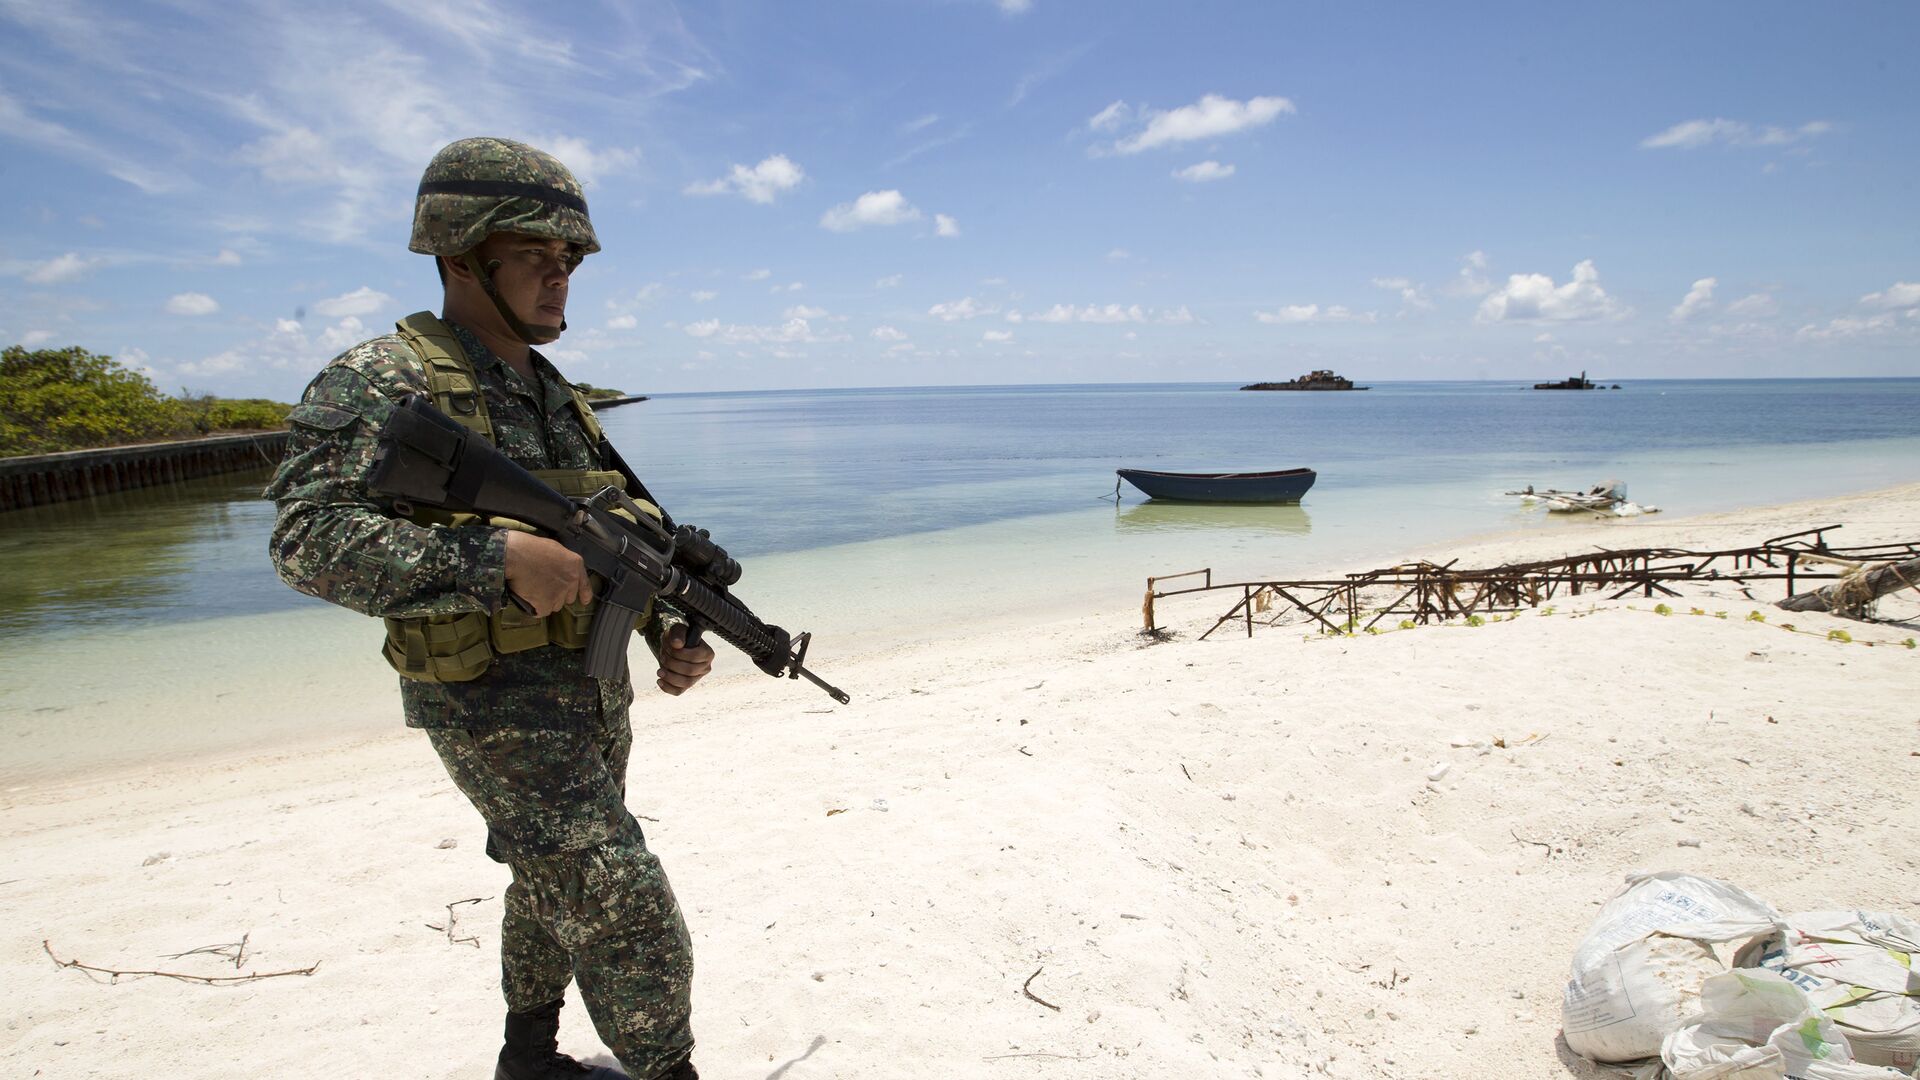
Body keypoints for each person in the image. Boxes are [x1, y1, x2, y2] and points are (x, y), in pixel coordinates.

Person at [265, 137, 711, 1080]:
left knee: (549, 881)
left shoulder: (556, 395)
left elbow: (609, 541)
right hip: (488, 697)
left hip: (586, 696)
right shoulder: (385, 379)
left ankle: (529, 1057)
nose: (560, 283)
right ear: (460, 257)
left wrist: (663, 624)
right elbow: (304, 542)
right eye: (538, 261)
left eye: (569, 264)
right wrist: (493, 555)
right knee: (622, 897)